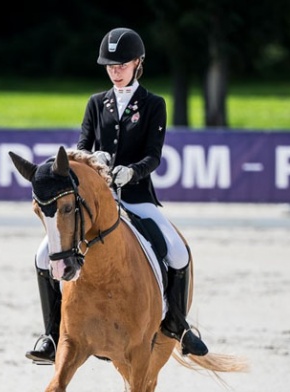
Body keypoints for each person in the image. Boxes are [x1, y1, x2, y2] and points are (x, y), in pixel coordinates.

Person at [26, 27, 209, 364]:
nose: (115, 71)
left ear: (138, 63)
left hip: (138, 197)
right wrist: (93, 161)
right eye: (110, 66)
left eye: (122, 65)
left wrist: (131, 171)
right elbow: (81, 148)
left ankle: (177, 325)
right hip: (95, 202)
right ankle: (52, 335)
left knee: (177, 251)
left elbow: (154, 155)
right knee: (42, 256)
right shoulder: (97, 103)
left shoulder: (154, 104)